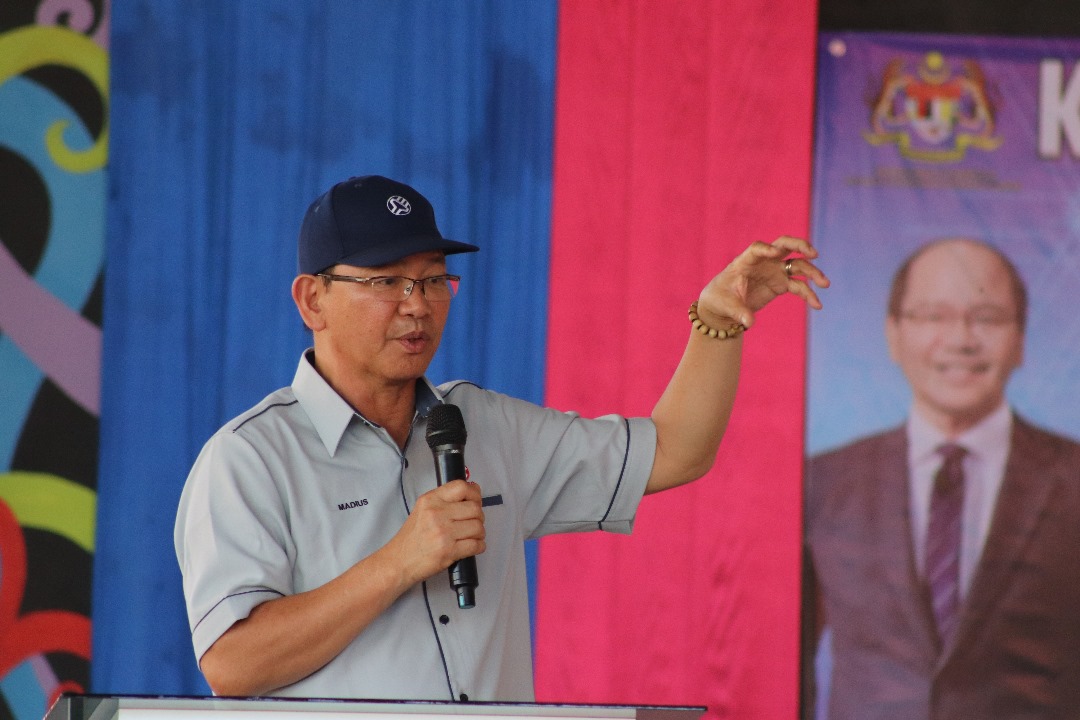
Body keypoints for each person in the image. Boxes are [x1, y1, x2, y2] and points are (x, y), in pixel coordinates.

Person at [175, 174, 828, 702]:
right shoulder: (250, 458)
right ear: (311, 300)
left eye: (434, 279)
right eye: (386, 281)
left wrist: (716, 323)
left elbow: (676, 451)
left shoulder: (482, 426)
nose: (417, 304)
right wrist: (399, 561)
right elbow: (232, 664)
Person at [805, 237, 1080, 720]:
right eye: (933, 316)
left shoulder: (1072, 478)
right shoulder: (823, 483)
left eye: (988, 318)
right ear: (893, 334)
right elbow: (783, 661)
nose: (961, 339)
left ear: (1021, 339)